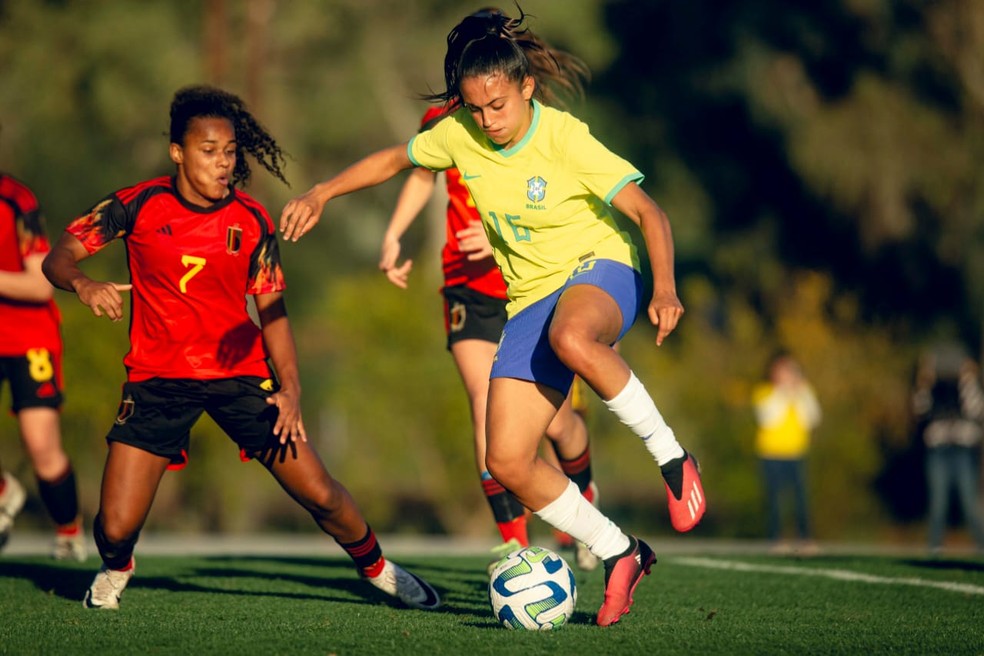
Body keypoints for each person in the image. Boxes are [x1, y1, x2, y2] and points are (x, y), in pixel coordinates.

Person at [280, 9, 705, 627]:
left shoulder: (564, 137)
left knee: (571, 335)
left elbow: (651, 213)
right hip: (530, 298)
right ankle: (620, 552)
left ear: (526, 88)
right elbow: (395, 162)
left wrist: (665, 289)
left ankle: (671, 457)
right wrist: (320, 193)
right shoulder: (459, 133)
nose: (487, 121)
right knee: (504, 460)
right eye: (476, 109)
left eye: (498, 106)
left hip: (604, 267)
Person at [41, 85, 440, 612]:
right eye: (209, 152)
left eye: (230, 152)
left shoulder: (251, 221)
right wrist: (84, 284)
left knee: (320, 493)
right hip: (158, 380)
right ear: (178, 153)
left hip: (241, 377)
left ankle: (379, 569)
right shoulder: (134, 204)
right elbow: (57, 259)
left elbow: (273, 313)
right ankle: (117, 566)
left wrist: (291, 388)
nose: (223, 163)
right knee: (114, 528)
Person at [380, 8, 599, 571]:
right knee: (486, 407)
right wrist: (395, 235)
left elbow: (562, 199)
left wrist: (502, 226)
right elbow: (420, 175)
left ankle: (584, 503)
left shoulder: (533, 123)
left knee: (554, 423)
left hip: (533, 285)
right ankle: (517, 544)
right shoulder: (444, 124)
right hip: (467, 289)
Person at [0, 170, 86, 561]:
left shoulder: (16, 199)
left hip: (28, 337)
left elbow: (39, 285)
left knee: (42, 447)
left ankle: (69, 531)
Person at [911, 342, 984, 555]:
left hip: (962, 449)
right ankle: (935, 546)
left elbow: (977, 409)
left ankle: (981, 544)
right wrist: (924, 381)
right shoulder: (930, 387)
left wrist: (968, 380)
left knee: (969, 502)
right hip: (938, 449)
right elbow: (919, 410)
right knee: (937, 501)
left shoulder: (968, 386)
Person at [751, 351, 821, 555]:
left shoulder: (804, 391)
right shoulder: (764, 392)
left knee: (801, 498)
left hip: (797, 453)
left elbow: (813, 418)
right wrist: (783, 392)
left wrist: (800, 393)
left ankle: (805, 539)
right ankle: (775, 539)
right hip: (771, 453)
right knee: (775, 499)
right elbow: (768, 418)